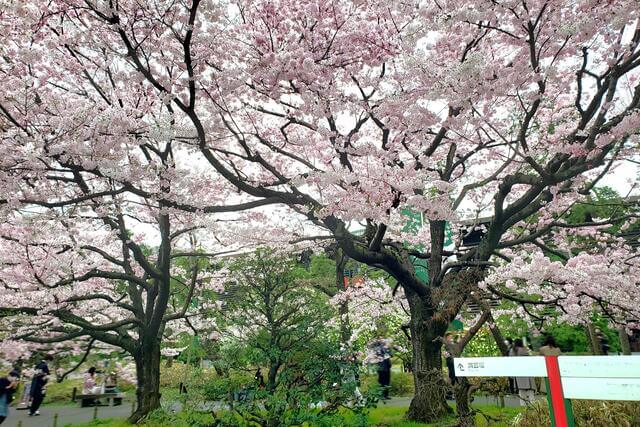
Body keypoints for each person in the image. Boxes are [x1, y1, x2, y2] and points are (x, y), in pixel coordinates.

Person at [513, 339, 535, 406]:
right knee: (530, 390)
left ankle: (523, 405)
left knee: (521, 390)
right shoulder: (525, 350)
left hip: (519, 372)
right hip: (527, 371)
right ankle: (533, 404)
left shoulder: (514, 350)